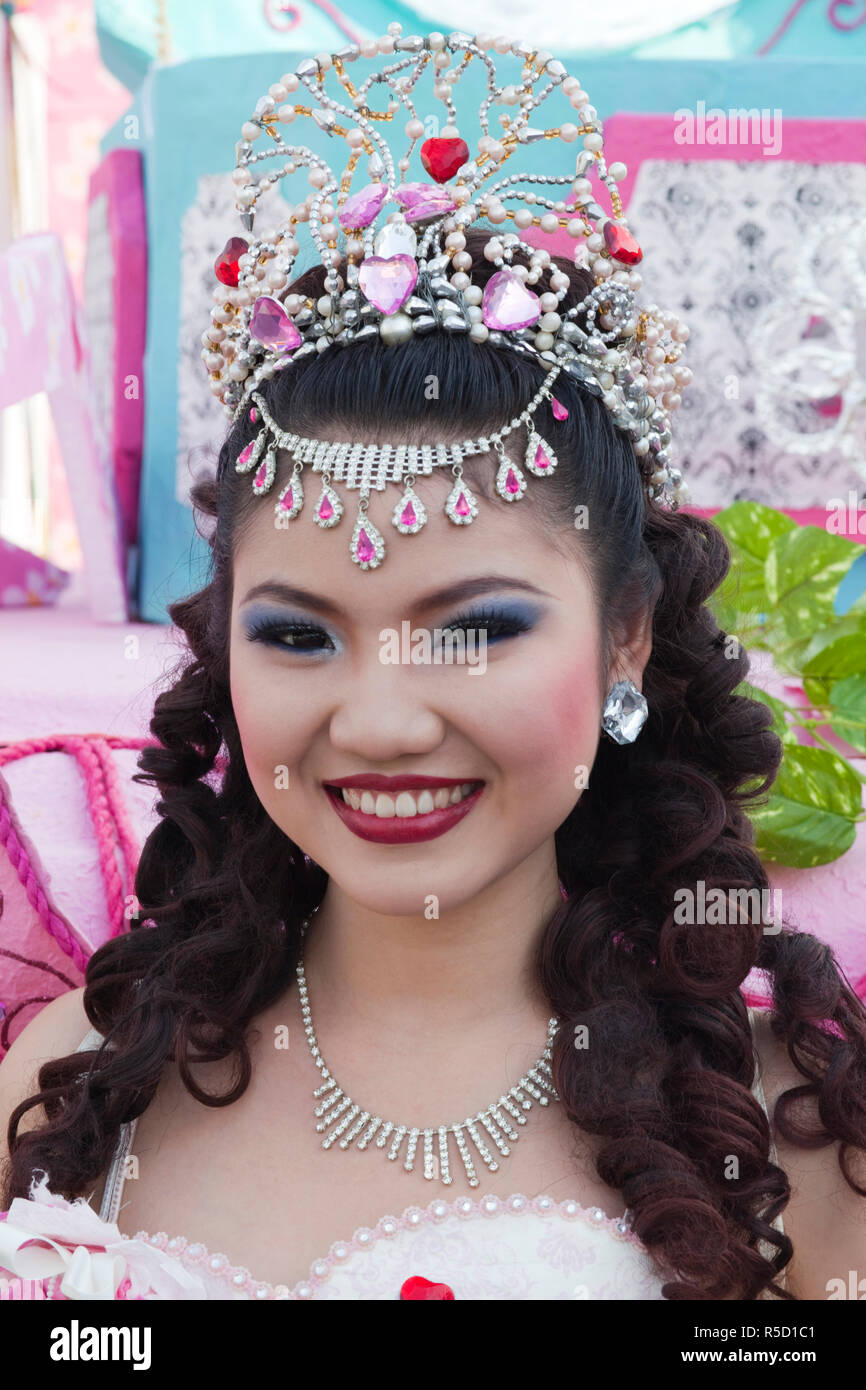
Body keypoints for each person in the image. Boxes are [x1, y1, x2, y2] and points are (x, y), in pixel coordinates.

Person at [2, 26, 865, 1302]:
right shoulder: (82, 1078)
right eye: (297, 634)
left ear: (624, 635)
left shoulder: (776, 1140)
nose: (383, 721)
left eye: (474, 629)